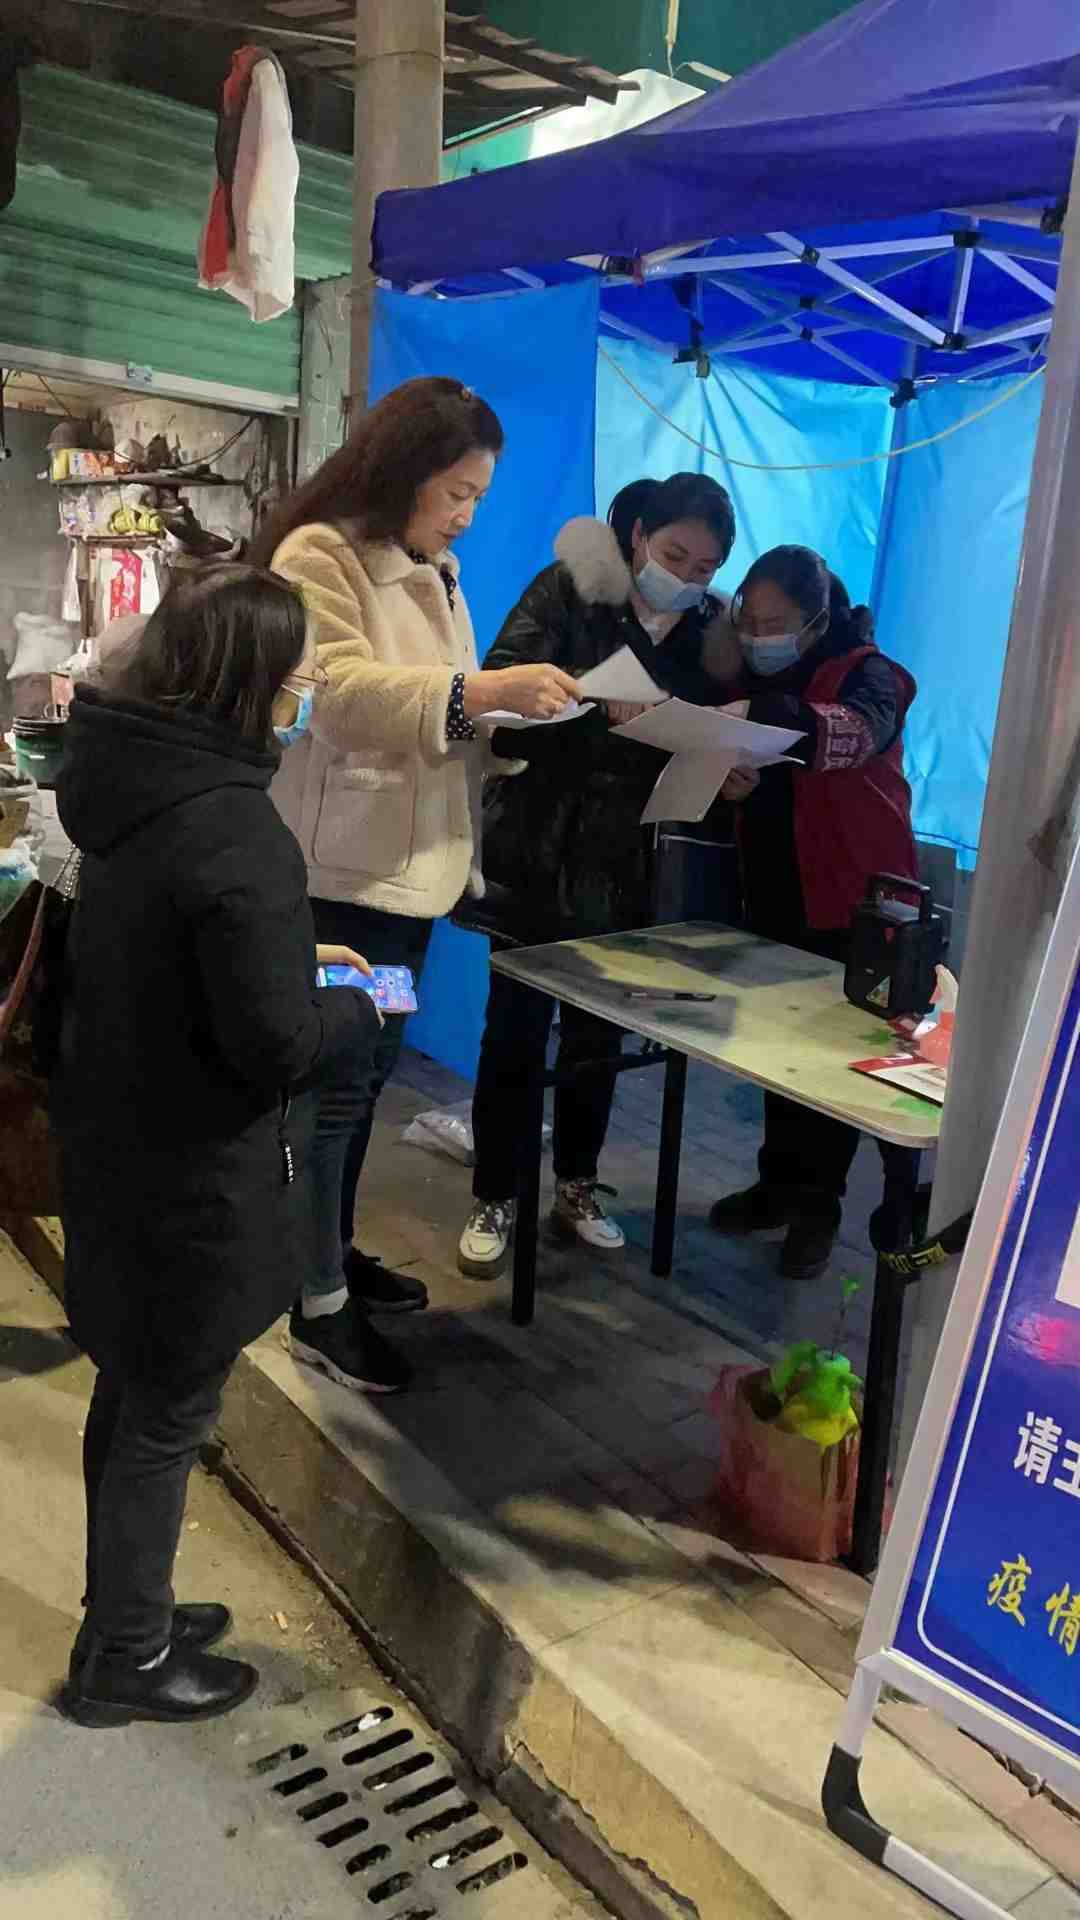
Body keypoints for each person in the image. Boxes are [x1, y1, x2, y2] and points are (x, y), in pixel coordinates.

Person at [53, 564, 380, 1728]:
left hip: (119, 1148)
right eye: (300, 679)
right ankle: (126, 1659)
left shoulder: (131, 785)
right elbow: (276, 1046)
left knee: (131, 1391)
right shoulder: (237, 828)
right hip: (191, 1180)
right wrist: (353, 1010)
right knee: (164, 1417)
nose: (306, 699)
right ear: (252, 684)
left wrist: (289, 961)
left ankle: (121, 1610)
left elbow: (180, 958)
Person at [249, 377, 577, 1390]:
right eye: (457, 493)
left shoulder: (437, 570)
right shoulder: (319, 555)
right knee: (332, 1094)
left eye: (478, 496)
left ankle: (330, 1255)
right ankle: (316, 1307)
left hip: (409, 888)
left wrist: (505, 730)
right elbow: (338, 695)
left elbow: (442, 711)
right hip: (342, 887)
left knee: (364, 1081)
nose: (467, 515)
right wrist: (480, 693)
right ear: (403, 472)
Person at [457, 472, 737, 1280]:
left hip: (625, 860)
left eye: (705, 568)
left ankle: (576, 1185)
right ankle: (495, 1193)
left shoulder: (707, 632)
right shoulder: (570, 588)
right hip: (538, 844)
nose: (687, 578)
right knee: (514, 1032)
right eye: (675, 555)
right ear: (640, 533)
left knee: (596, 1035)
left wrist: (719, 760)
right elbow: (497, 697)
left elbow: (707, 724)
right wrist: (583, 702)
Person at [708, 544, 920, 1279]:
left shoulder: (870, 673)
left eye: (775, 625)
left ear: (818, 619)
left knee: (834, 1061)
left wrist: (760, 715)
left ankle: (818, 1210)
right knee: (778, 1048)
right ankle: (775, 1186)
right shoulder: (758, 676)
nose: (758, 637)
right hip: (775, 891)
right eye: (749, 622)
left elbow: (853, 736)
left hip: (858, 899)